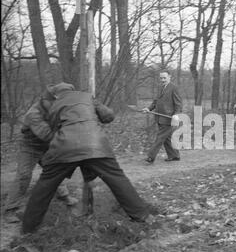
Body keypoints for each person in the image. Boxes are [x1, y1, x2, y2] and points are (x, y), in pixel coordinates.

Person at [21, 83, 156, 234]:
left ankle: (28, 229)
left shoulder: (54, 105)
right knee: (118, 179)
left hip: (64, 147)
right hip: (96, 145)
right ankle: (142, 216)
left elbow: (51, 132)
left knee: (44, 186)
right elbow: (108, 116)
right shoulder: (87, 97)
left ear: (56, 95)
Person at [3, 86, 78, 223]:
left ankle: (63, 196)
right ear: (45, 99)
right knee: (23, 175)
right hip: (30, 147)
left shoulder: (60, 109)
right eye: (55, 102)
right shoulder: (34, 113)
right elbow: (47, 135)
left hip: (48, 146)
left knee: (55, 170)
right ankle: (10, 209)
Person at [143, 71, 183, 164]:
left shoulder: (174, 88)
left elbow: (178, 103)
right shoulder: (160, 88)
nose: (162, 80)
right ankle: (174, 155)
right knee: (166, 138)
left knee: (160, 138)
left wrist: (176, 114)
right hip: (159, 117)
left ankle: (150, 157)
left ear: (169, 77)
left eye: (164, 78)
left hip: (168, 119)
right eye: (161, 78)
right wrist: (148, 109)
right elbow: (155, 102)